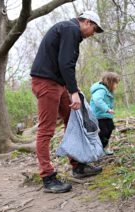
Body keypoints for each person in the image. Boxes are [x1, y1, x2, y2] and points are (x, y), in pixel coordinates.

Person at [30, 11, 104, 193]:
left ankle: (78, 165)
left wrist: (73, 89)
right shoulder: (70, 29)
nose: (93, 33)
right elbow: (65, 63)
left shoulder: (69, 30)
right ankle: (48, 178)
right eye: (94, 28)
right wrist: (74, 92)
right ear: (87, 22)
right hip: (46, 82)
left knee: (73, 121)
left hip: (58, 83)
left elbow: (63, 63)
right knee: (46, 130)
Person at [90, 72, 120, 155]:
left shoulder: (108, 91)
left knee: (110, 129)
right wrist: (107, 109)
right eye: (115, 83)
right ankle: (97, 149)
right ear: (110, 82)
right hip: (99, 116)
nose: (116, 85)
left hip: (106, 116)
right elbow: (97, 100)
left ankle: (105, 147)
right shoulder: (101, 90)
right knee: (103, 132)